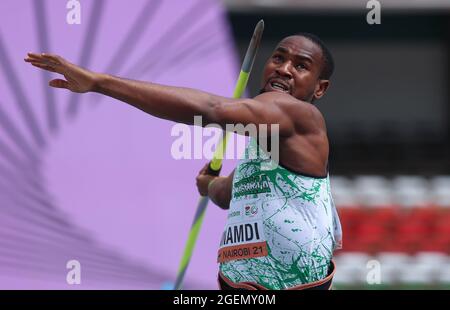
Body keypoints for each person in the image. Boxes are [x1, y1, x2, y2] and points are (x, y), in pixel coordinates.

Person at [25, 32, 342, 290]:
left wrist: (99, 83)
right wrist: (210, 185)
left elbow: (214, 109)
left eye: (300, 65)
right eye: (278, 57)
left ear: (320, 88)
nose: (283, 69)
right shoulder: (268, 144)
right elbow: (229, 193)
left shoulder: (301, 115)